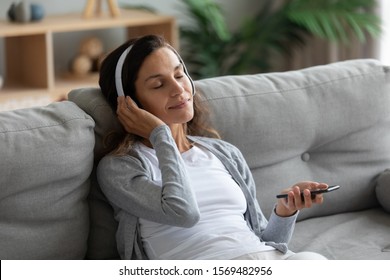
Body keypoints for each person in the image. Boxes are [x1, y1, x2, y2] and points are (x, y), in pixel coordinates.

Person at [97, 34, 328, 260]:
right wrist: (161, 135)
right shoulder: (120, 167)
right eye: (158, 85)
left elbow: (263, 243)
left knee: (311, 261)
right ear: (130, 103)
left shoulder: (225, 154)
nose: (178, 89)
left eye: (179, 75)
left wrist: (284, 211)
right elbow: (183, 212)